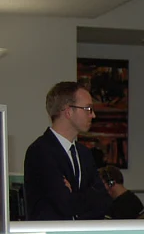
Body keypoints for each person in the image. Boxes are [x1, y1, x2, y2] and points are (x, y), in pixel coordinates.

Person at [23, 81, 111, 220]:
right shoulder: (40, 151)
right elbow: (64, 205)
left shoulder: (84, 153)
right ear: (69, 111)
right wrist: (87, 196)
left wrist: (73, 193)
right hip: (52, 233)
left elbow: (104, 202)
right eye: (88, 109)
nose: (93, 115)